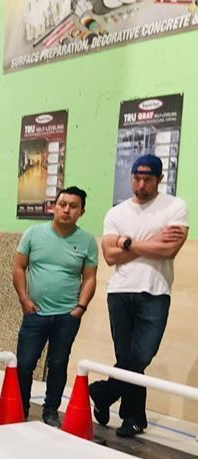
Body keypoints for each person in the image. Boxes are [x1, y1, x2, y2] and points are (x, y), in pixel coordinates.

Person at [90, 154, 189, 437]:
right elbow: (110, 255)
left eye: (148, 179)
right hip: (120, 292)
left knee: (140, 356)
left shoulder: (175, 206)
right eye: (137, 178)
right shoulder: (116, 212)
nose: (141, 184)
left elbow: (169, 250)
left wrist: (128, 243)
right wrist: (151, 242)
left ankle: (104, 392)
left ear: (159, 179)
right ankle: (133, 418)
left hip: (156, 292)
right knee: (127, 356)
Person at [13, 187, 98, 427]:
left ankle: (50, 411)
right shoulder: (33, 234)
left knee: (58, 363)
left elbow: (90, 277)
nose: (66, 210)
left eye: (73, 206)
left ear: (81, 211)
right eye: (62, 204)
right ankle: (22, 408)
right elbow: (19, 268)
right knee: (25, 363)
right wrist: (23, 299)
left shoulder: (87, 241)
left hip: (67, 316)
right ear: (53, 206)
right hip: (35, 312)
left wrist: (80, 307)